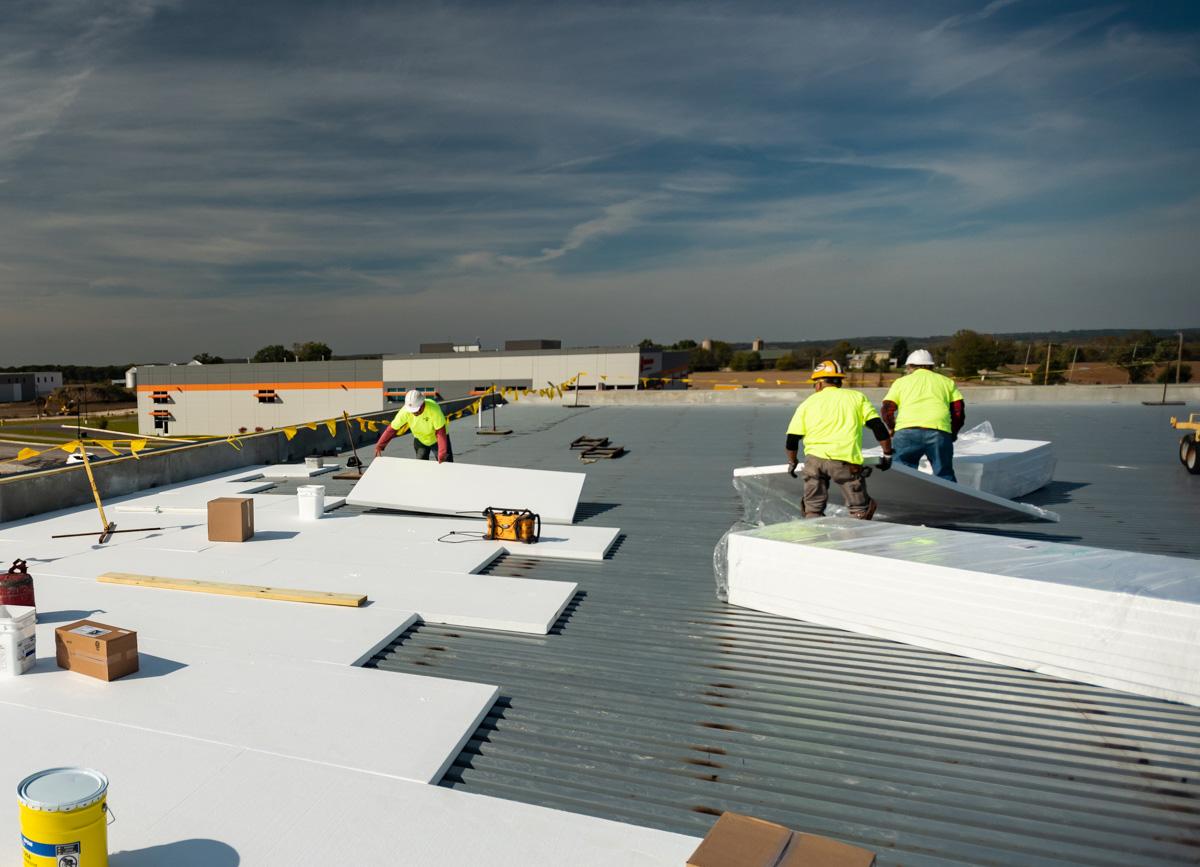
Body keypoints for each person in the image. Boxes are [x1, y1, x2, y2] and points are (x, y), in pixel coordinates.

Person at [786, 360, 894, 520]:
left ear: (820, 383)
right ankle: (855, 538)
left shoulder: (807, 404)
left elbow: (792, 439)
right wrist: (887, 454)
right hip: (845, 463)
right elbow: (878, 427)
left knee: (812, 510)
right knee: (860, 509)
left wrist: (793, 462)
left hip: (814, 462)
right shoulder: (857, 398)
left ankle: (812, 537)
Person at [881, 349, 965, 482]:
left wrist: (892, 428)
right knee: (944, 473)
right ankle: (949, 501)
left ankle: (904, 499)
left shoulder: (901, 382)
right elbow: (958, 412)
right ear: (931, 366)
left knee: (903, 474)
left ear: (909, 366)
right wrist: (952, 433)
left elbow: (887, 410)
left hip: (906, 431)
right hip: (939, 431)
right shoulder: (947, 382)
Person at [374, 389, 453, 463]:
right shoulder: (405, 411)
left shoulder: (433, 409)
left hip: (437, 439)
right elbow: (392, 429)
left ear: (422, 404)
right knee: (420, 464)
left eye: (416, 410)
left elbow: (440, 432)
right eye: (412, 411)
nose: (414, 413)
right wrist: (380, 445)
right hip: (420, 439)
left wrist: (442, 452)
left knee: (445, 464)